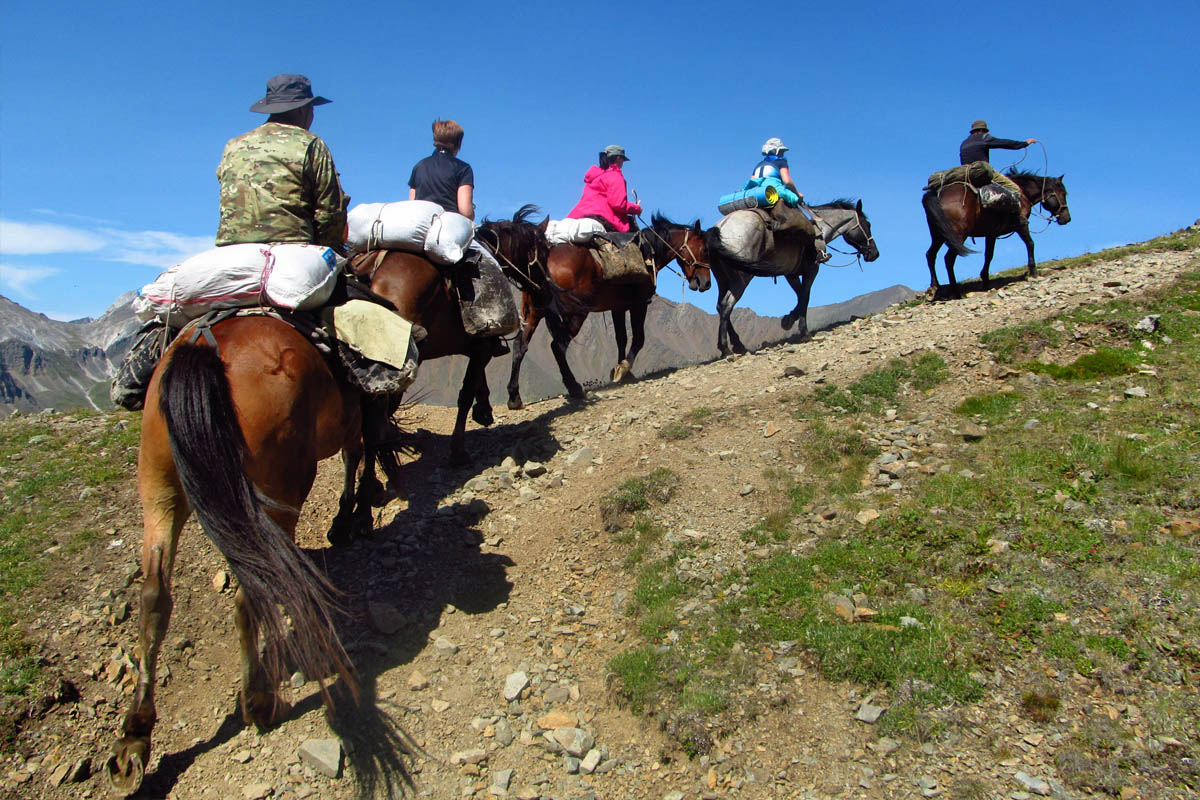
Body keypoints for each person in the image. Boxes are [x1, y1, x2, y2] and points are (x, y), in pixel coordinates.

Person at [112, 73, 352, 410]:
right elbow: (329, 212)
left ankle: (133, 380)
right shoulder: (311, 144)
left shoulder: (233, 146)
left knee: (164, 319)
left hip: (230, 256)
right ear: (303, 110)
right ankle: (368, 399)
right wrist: (331, 251)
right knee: (358, 314)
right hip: (292, 256)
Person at [747, 138, 828, 262]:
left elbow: (752, 180)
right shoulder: (780, 162)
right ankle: (818, 251)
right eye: (781, 151)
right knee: (805, 219)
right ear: (776, 150)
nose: (783, 154)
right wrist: (797, 194)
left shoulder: (759, 165)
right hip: (774, 191)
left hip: (755, 194)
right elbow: (787, 181)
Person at [408, 119, 475, 219]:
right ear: (458, 144)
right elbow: (465, 211)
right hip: (449, 225)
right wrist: (472, 212)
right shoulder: (463, 168)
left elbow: (412, 205)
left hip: (420, 223)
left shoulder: (419, 166)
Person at [567, 145, 642, 232]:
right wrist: (636, 209)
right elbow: (618, 204)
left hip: (577, 216)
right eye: (623, 160)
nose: (623, 163)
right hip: (602, 217)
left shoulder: (594, 176)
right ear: (618, 158)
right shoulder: (615, 176)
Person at [959, 120, 1035, 197]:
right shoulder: (984, 137)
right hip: (981, 171)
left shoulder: (964, 143)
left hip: (966, 173)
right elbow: (1005, 143)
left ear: (972, 131)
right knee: (1015, 188)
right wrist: (1024, 143)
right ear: (982, 130)